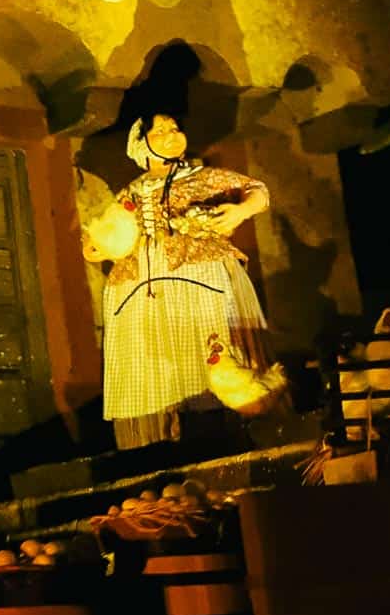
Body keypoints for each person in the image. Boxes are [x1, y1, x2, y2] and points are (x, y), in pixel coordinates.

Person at [88, 112, 275, 448]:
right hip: (144, 284)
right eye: (160, 130)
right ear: (141, 146)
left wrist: (240, 211)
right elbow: (109, 234)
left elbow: (257, 190)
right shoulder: (132, 192)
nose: (171, 133)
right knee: (161, 360)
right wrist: (98, 246)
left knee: (211, 352)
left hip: (196, 271)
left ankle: (224, 430)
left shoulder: (201, 177)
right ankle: (168, 440)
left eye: (174, 127)